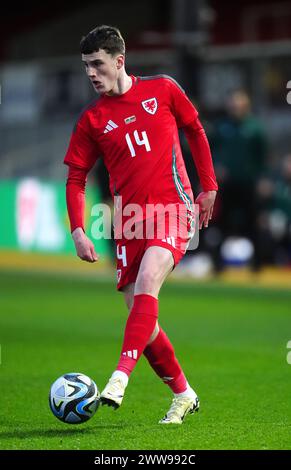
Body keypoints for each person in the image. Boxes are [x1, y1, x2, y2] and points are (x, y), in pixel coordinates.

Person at [64, 25, 218, 424]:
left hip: (174, 207)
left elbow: (195, 131)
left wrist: (209, 187)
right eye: (86, 67)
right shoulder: (92, 120)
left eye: (97, 64)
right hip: (129, 221)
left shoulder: (163, 90)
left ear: (119, 60)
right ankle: (183, 394)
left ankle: (119, 377)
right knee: (141, 318)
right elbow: (76, 178)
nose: (92, 74)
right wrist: (78, 229)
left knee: (149, 280)